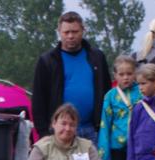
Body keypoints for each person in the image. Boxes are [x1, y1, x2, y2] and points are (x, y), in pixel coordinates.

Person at [31, 12, 110, 142]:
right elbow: (39, 100)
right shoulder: (47, 61)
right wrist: (44, 134)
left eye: (75, 31)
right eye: (66, 32)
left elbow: (107, 92)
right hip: (60, 132)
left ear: (83, 31)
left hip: (93, 130)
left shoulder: (97, 57)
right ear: (59, 32)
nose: (71, 36)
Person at [98, 56, 142, 160]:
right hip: (118, 149)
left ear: (135, 73)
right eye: (121, 74)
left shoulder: (142, 92)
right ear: (115, 75)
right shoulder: (110, 96)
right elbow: (105, 125)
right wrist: (103, 157)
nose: (126, 78)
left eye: (129, 73)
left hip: (139, 148)